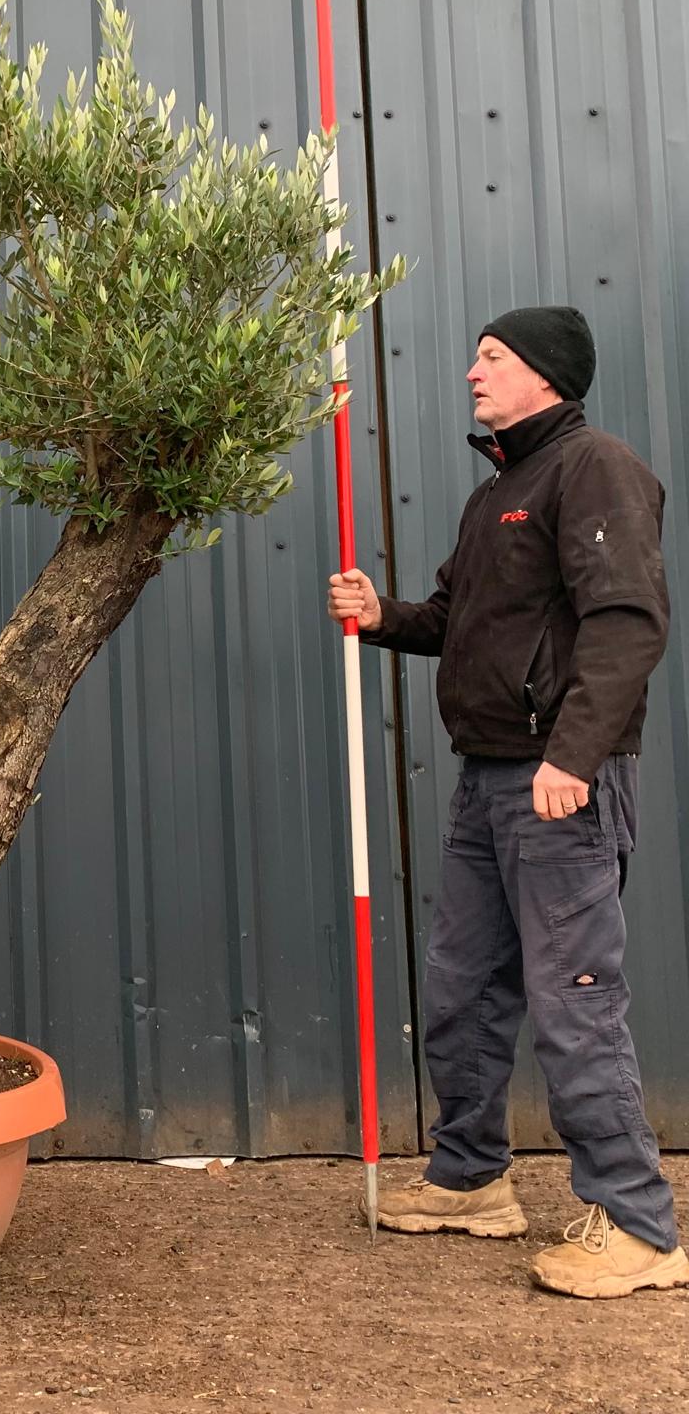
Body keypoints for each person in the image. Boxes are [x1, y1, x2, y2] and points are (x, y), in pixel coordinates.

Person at [328, 304, 687, 1298]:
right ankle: (471, 1177)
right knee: (462, 991)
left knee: (573, 1003)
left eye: (492, 357)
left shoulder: (592, 467)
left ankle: (639, 1225)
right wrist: (381, 616)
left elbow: (626, 621)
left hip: (557, 783)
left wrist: (574, 754)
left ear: (546, 373)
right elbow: (458, 620)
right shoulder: (500, 492)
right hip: (488, 777)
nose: (472, 371)